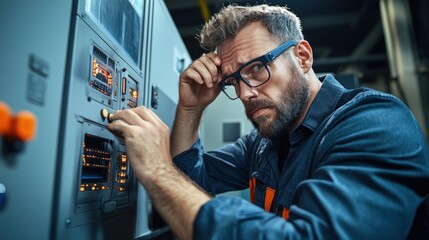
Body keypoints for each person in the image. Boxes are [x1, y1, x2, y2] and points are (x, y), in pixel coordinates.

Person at [108, 4, 429, 240]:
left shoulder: (374, 124)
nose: (245, 93)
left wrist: (156, 169)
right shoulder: (265, 143)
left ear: (302, 57)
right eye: (233, 80)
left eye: (258, 68)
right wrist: (190, 110)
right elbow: (194, 181)